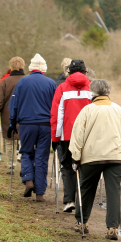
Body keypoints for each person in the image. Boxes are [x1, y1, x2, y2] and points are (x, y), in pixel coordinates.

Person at [69, 79, 121, 237]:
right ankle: (113, 227)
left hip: (91, 157)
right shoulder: (118, 109)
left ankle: (82, 222)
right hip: (115, 157)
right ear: (108, 92)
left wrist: (75, 157)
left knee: (86, 188)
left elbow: (77, 136)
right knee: (113, 191)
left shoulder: (87, 110)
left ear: (92, 92)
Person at [8, 54, 57, 202]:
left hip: (27, 124)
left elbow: (14, 104)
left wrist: (12, 122)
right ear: (44, 68)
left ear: (31, 68)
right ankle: (40, 193)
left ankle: (28, 180)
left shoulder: (23, 82)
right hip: (45, 126)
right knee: (41, 157)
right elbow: (55, 106)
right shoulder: (51, 83)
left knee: (26, 152)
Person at [50, 59, 92, 214]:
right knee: (85, 166)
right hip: (87, 135)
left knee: (67, 166)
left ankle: (69, 200)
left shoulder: (62, 88)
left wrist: (55, 138)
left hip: (67, 135)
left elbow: (57, 115)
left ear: (69, 72)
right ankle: (83, 202)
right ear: (85, 72)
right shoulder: (92, 87)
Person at [0, 57, 25, 175]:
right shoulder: (28, 80)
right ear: (23, 66)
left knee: (10, 141)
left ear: (10, 67)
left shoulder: (5, 81)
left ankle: (11, 165)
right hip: (25, 113)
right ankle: (23, 160)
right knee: (24, 138)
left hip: (8, 115)